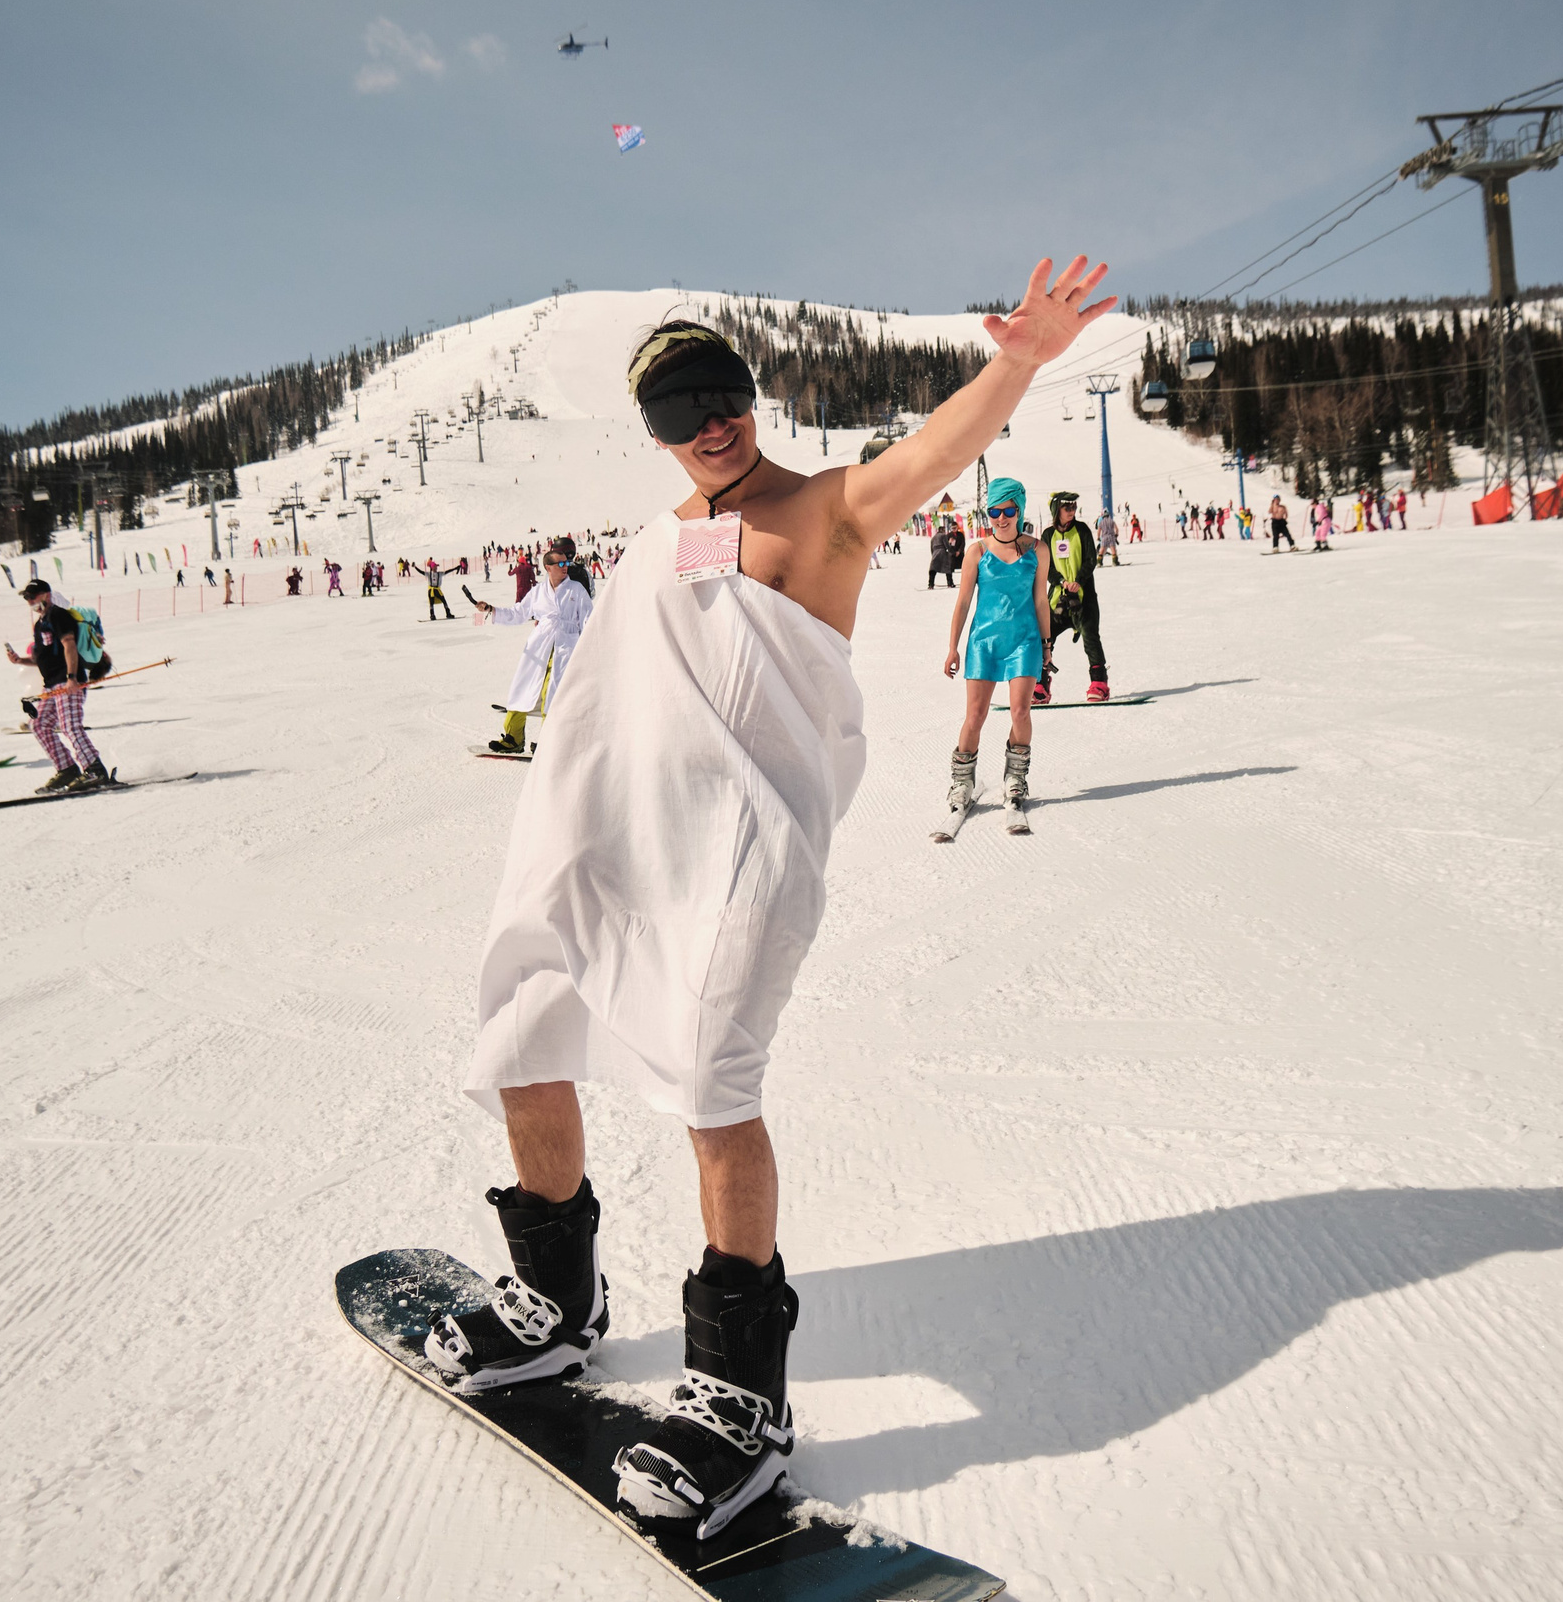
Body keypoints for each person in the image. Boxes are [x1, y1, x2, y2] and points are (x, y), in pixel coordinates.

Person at [435, 261, 1115, 1540]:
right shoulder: (670, 533)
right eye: (680, 407)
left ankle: (739, 1397)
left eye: (724, 393)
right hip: (606, 841)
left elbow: (927, 456)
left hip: (735, 859)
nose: (710, 421)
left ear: (753, 397)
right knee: (522, 1032)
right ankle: (556, 1301)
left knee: (712, 1090)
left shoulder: (824, 513)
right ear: (651, 431)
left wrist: (1018, 365)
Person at [941, 478, 1050, 816]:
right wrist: (952, 647)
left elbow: (1041, 601)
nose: (1001, 518)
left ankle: (1015, 778)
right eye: (994, 511)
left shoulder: (1037, 550)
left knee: (1020, 711)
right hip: (983, 642)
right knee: (976, 715)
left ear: (1019, 510)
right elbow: (962, 603)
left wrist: (1046, 646)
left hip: (1025, 640)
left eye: (1008, 510)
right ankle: (962, 781)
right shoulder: (977, 552)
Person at [474, 537, 592, 755]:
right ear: (548, 567)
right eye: (562, 563)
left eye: (568, 561)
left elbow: (588, 620)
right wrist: (492, 609)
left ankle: (549, 741)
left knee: (553, 694)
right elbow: (519, 613)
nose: (567, 566)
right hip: (539, 646)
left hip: (566, 646)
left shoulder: (577, 589)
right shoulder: (538, 592)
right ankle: (513, 738)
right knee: (522, 688)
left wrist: (589, 649)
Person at [2, 579, 111, 792]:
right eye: (27, 598)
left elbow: (69, 645)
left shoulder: (59, 615)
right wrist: (19, 661)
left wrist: (72, 678)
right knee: (39, 725)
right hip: (50, 685)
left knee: (70, 725)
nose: (30, 601)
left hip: (68, 681)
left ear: (46, 595)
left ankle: (95, 770)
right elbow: (42, 658)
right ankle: (67, 769)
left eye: (32, 596)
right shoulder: (40, 624)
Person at [1037, 489, 1109, 703]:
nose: (1072, 511)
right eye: (1067, 507)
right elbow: (1046, 565)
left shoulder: (1082, 530)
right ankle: (1041, 684)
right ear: (1056, 510)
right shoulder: (1048, 536)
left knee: (1090, 638)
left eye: (1074, 507)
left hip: (1083, 597)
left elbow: (1090, 559)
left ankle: (1099, 684)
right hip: (1057, 599)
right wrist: (1061, 581)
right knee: (1044, 639)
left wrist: (1078, 580)